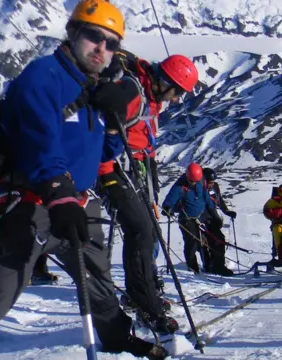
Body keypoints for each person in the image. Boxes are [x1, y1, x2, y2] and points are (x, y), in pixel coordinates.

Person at [0, 1, 167, 358]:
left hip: (78, 205)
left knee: (98, 283)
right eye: (94, 37)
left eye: (111, 44)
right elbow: (40, 143)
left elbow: (102, 155)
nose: (102, 49)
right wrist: (59, 195)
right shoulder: (43, 77)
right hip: (33, 205)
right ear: (72, 32)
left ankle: (116, 338)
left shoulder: (93, 89)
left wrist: (115, 121)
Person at [95, 52, 197, 331]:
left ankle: (148, 292)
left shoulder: (151, 99)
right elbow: (104, 130)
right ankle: (145, 304)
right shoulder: (133, 92)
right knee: (140, 231)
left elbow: (145, 141)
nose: (176, 99)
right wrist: (106, 176)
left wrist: (151, 186)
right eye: (177, 91)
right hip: (113, 168)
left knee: (147, 231)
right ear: (164, 82)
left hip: (133, 166)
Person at [161, 163, 222, 274]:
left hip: (200, 218)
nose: (194, 183)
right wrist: (167, 208)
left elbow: (208, 200)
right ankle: (193, 268)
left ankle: (208, 266)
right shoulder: (179, 186)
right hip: (186, 219)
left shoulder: (199, 183)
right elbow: (170, 199)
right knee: (192, 243)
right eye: (192, 181)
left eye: (196, 181)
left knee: (205, 243)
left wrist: (215, 216)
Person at [202, 167, 236, 276]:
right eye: (210, 182)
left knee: (219, 240)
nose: (212, 184)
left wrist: (226, 211)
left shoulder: (215, 187)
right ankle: (212, 265)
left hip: (213, 219)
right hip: (202, 220)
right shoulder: (200, 189)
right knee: (208, 242)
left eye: (213, 182)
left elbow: (219, 200)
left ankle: (218, 264)